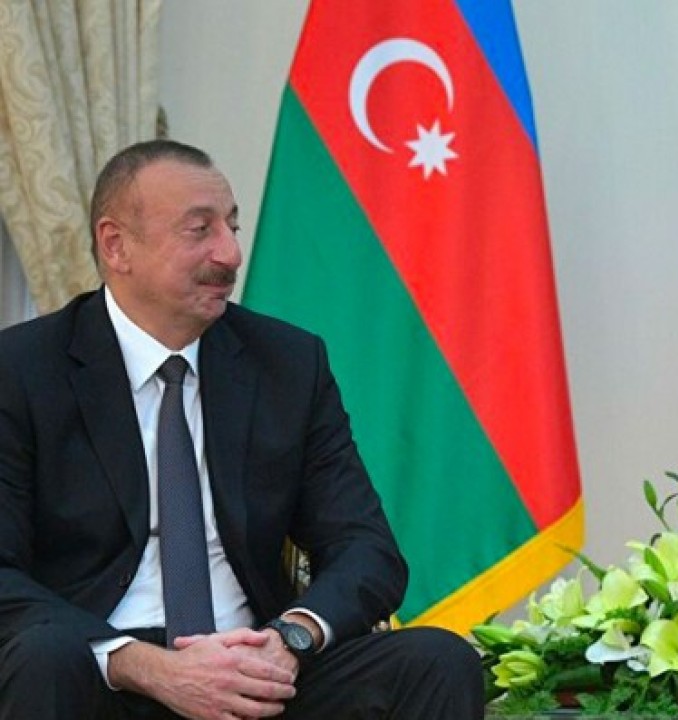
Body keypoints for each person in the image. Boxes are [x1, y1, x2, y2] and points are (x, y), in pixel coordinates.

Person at [0, 139, 484, 719]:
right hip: (102, 675)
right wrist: (142, 664)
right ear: (116, 245)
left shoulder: (286, 363)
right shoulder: (23, 370)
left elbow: (367, 550)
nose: (230, 254)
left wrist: (292, 637)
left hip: (257, 664)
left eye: (232, 226)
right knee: (45, 657)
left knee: (437, 661)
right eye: (199, 230)